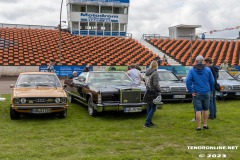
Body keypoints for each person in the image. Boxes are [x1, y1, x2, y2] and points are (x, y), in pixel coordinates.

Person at [185, 55, 214, 131]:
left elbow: (187, 81)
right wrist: (210, 89)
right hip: (206, 92)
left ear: (196, 61)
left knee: (198, 110)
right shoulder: (208, 70)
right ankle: (205, 124)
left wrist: (191, 91)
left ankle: (198, 126)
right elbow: (212, 81)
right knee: (206, 109)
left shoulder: (192, 70)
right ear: (203, 61)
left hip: (197, 92)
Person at [143, 60, 161, 128]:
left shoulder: (147, 72)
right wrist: (159, 90)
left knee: (149, 107)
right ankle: (147, 123)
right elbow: (155, 84)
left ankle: (149, 121)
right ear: (156, 65)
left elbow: (144, 81)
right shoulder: (155, 73)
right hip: (153, 92)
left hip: (148, 91)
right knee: (153, 108)